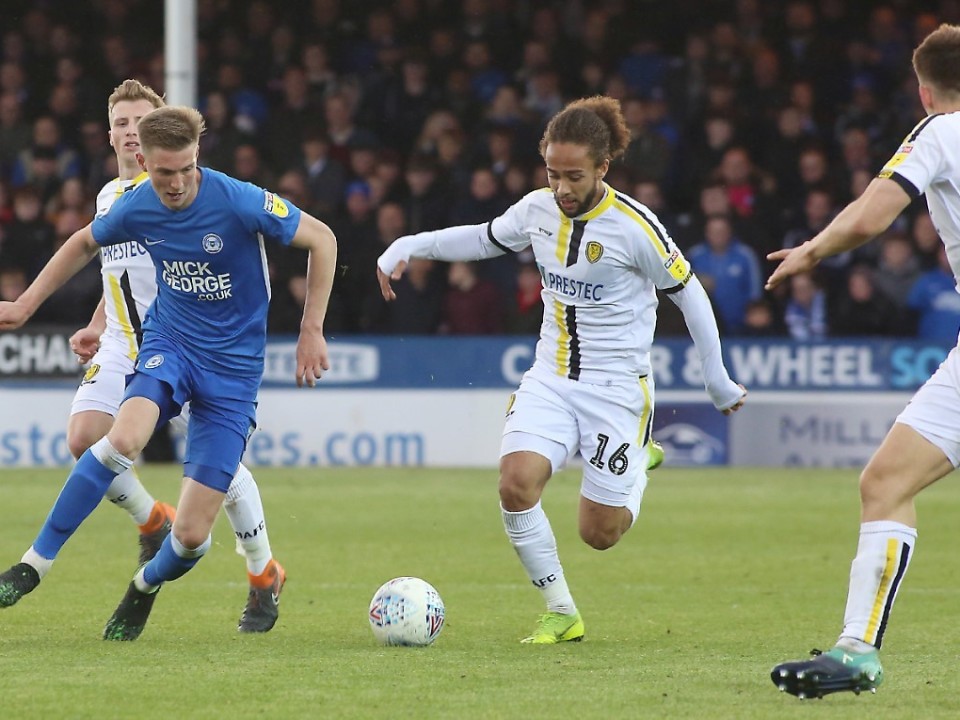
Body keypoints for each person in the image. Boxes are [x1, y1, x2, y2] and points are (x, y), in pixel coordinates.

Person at [377, 96, 745, 644]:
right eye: (552, 173)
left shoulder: (635, 227)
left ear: (603, 168)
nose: (562, 188)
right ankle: (562, 611)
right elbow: (484, 238)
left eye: (574, 176)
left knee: (600, 534)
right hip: (549, 378)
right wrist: (411, 244)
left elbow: (689, 294)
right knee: (515, 485)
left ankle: (639, 460)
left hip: (615, 390)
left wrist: (717, 379)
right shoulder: (537, 210)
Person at [0, 104, 336, 641]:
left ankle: (145, 585)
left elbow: (323, 239)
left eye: (185, 170)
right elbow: (85, 243)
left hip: (233, 369)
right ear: (144, 162)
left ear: (197, 155)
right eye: (164, 173)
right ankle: (32, 565)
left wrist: (311, 329)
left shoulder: (238, 199)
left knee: (192, 536)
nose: (176, 184)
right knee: (119, 439)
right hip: (170, 344)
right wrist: (24, 305)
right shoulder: (136, 205)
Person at [765, 23, 960, 699]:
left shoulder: (939, 131)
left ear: (924, 91)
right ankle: (856, 651)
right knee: (886, 480)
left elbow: (871, 216)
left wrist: (811, 251)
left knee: (886, 484)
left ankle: (858, 651)